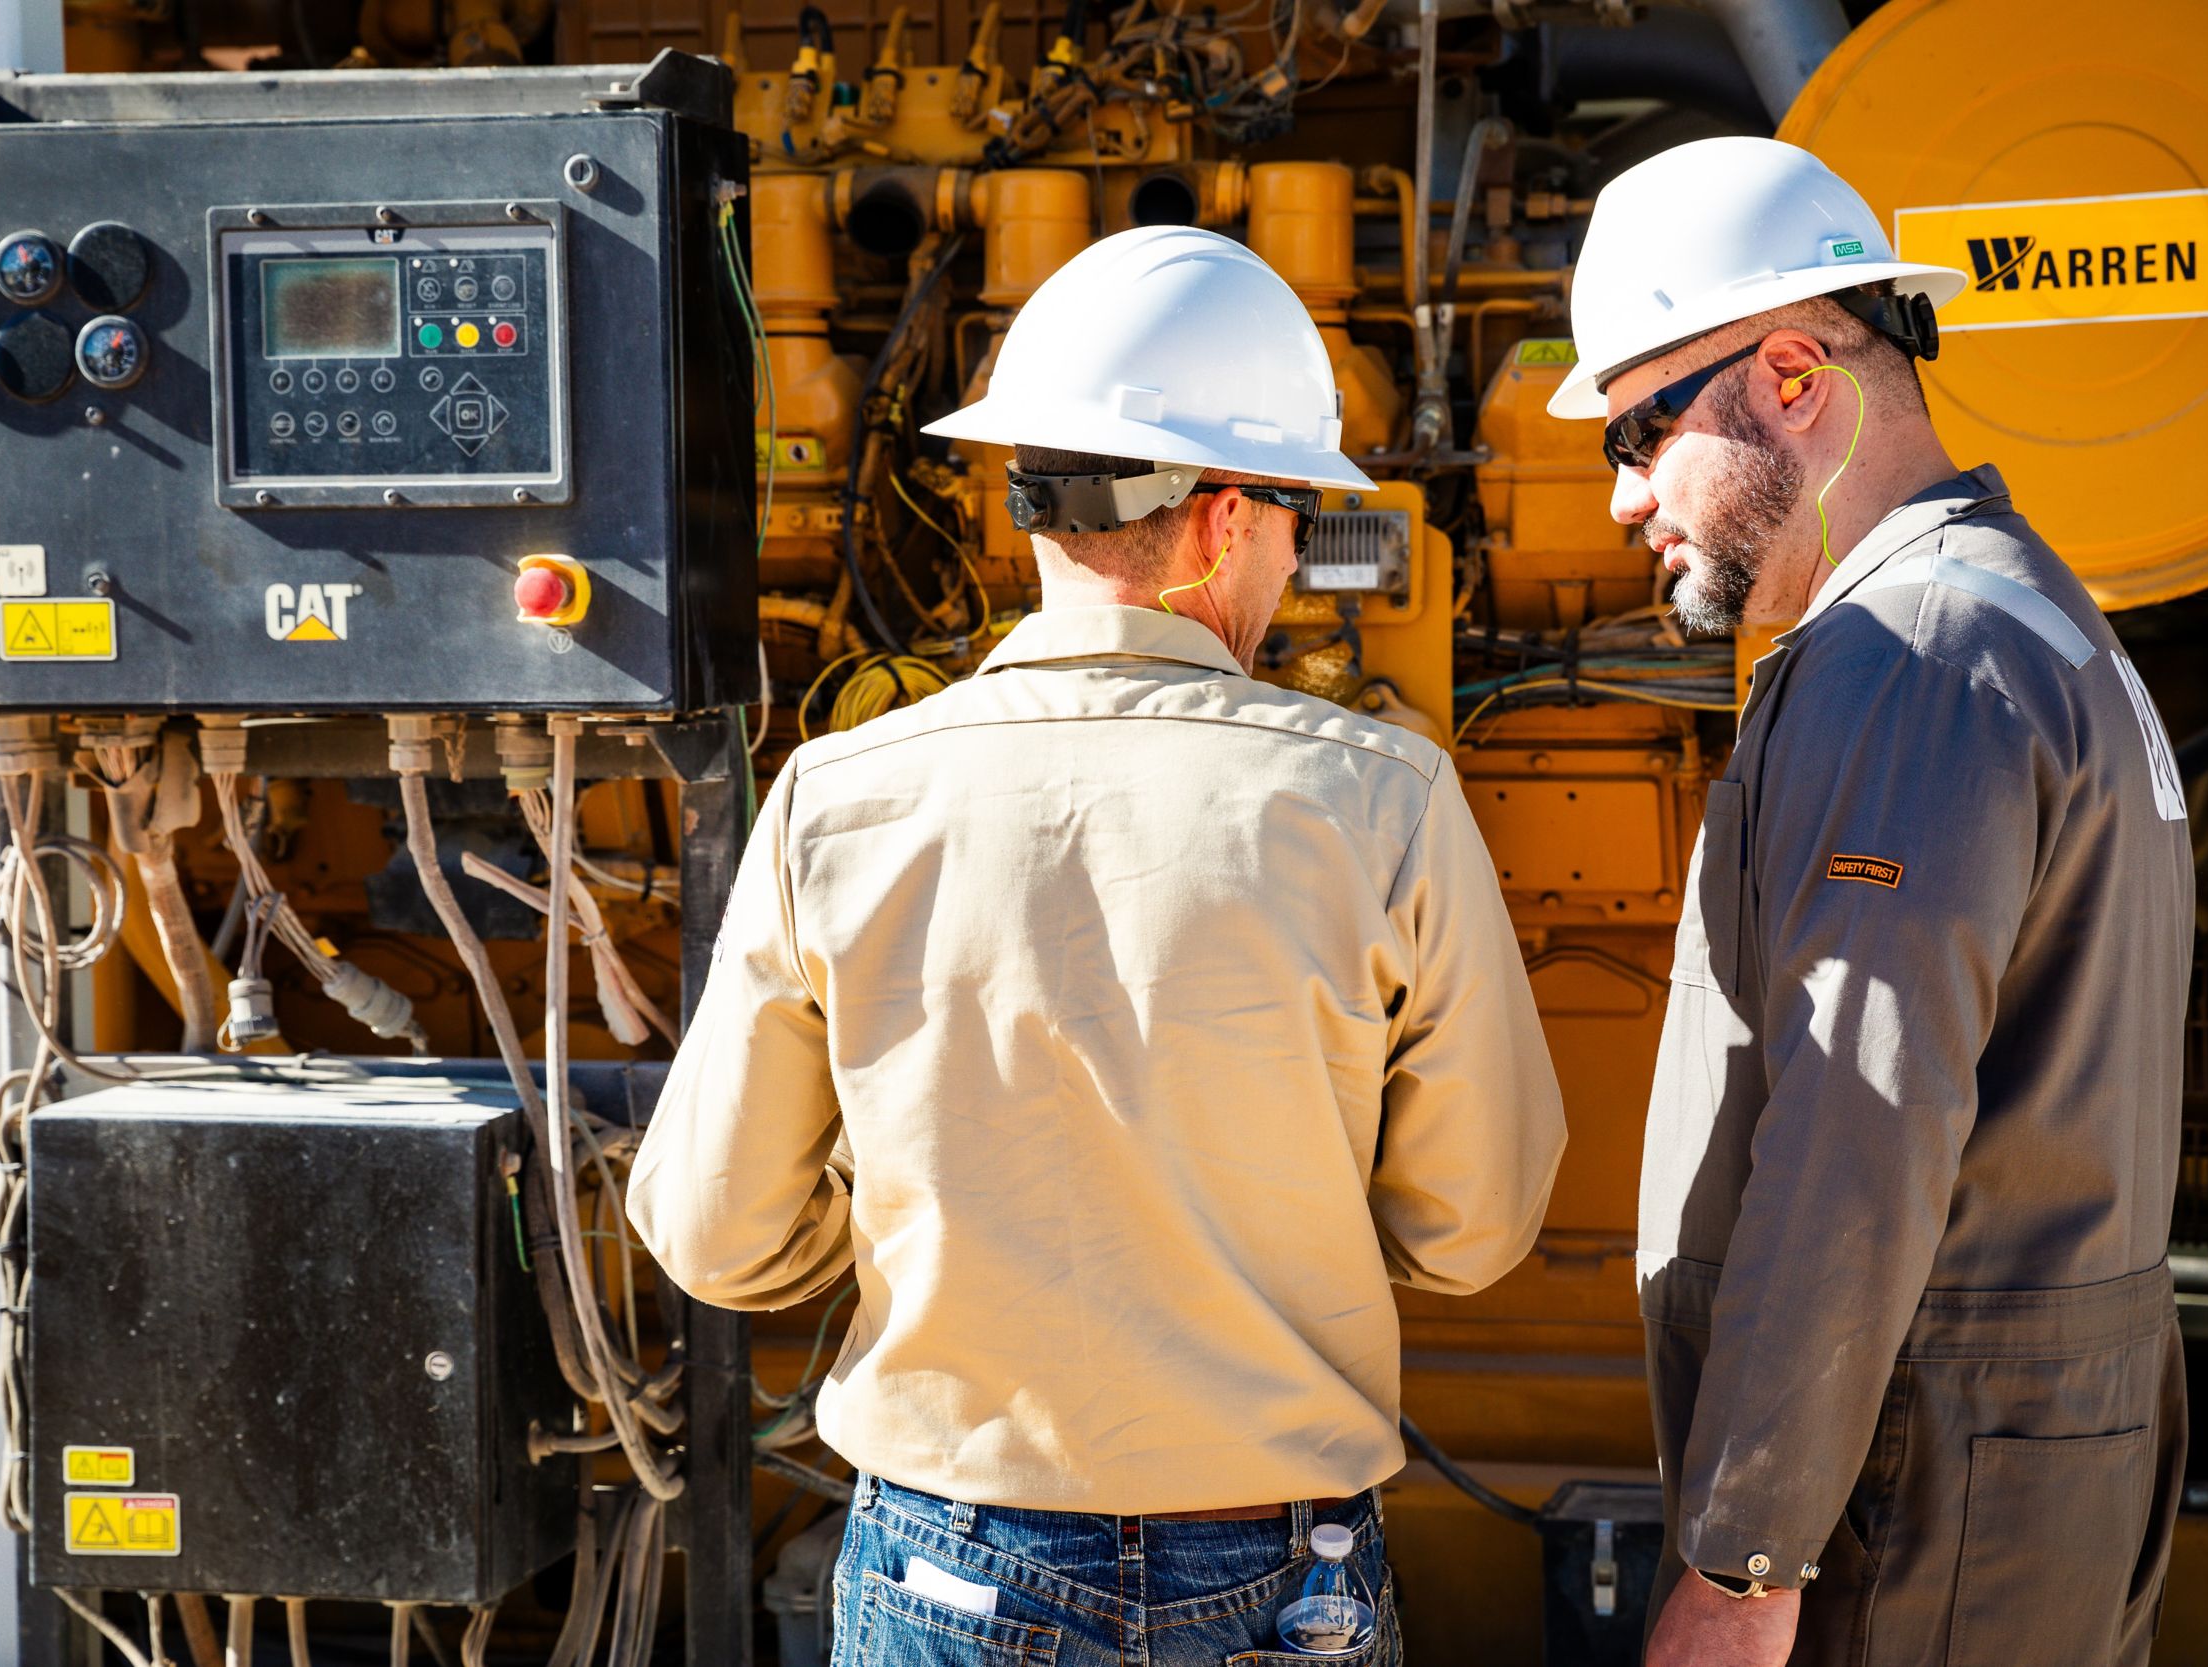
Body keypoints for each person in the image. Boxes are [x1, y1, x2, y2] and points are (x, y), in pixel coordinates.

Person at [628, 223, 1565, 1666]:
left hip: (951, 1563)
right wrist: (1278, 1234)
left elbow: (715, 1231)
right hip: (1275, 1565)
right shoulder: (1385, 797)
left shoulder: (834, 797)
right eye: (1297, 519)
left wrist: (898, 1222)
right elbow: (1472, 1224)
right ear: (1225, 521)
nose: (1294, 561)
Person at [1543, 136, 2195, 1666]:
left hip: (1917, 1504)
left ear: (1789, 376)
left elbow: (1857, 1133)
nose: (1627, 498)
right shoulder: (2021, 615)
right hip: (1999, 1469)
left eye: (1640, 431)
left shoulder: (1910, 662)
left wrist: (1743, 1560)